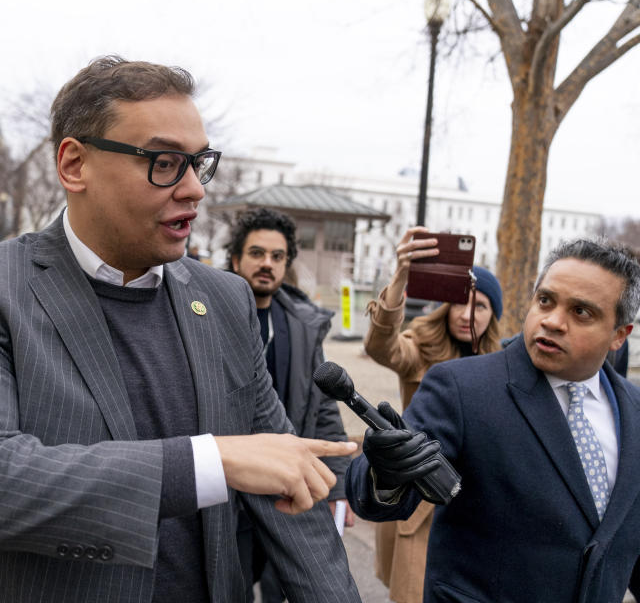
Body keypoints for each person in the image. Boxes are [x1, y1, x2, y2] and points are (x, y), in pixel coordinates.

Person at [0, 56, 361, 603]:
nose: (194, 190)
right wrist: (210, 460)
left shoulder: (225, 300)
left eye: (198, 163)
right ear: (74, 165)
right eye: (164, 162)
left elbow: (290, 492)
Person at [347, 237, 640, 603]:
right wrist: (385, 470)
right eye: (545, 300)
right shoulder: (460, 386)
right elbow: (374, 493)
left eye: (581, 312)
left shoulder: (634, 411)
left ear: (619, 335)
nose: (552, 321)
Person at [362, 227, 502, 603]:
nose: (467, 313)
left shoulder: (503, 367)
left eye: (481, 306)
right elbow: (382, 347)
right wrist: (401, 276)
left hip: (480, 503)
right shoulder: (421, 347)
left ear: (494, 315)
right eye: (461, 302)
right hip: (423, 500)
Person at [225, 207, 353, 602]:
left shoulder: (302, 325)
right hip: (229, 491)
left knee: (293, 589)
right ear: (236, 259)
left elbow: (324, 408)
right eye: (257, 253)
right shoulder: (208, 317)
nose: (267, 264)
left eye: (277, 257)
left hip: (290, 488)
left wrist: (339, 488)